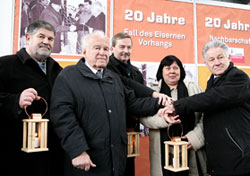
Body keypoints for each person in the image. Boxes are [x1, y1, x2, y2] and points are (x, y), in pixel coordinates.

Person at [49, 31, 166, 176]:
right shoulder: (69, 76)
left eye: (105, 49)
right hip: (86, 162)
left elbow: (133, 102)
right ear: (84, 51)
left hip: (115, 161)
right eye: (97, 48)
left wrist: (162, 103)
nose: (102, 53)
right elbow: (62, 117)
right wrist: (78, 150)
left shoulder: (113, 78)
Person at [161, 40, 250, 176]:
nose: (217, 62)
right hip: (218, 155)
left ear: (229, 58)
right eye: (211, 59)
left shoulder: (238, 78)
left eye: (220, 57)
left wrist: (176, 106)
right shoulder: (213, 81)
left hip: (237, 155)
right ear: (206, 63)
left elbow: (212, 98)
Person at [0, 21, 63, 176]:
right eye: (41, 36)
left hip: (51, 153)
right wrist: (16, 100)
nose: (46, 42)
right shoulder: (5, 64)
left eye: (50, 39)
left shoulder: (58, 71)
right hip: (14, 153)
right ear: (28, 38)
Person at [107, 32, 167, 176]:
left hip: (131, 131)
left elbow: (141, 100)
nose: (126, 51)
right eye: (121, 47)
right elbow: (129, 100)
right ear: (112, 48)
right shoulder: (106, 68)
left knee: (129, 169)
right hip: (112, 132)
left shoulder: (136, 72)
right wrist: (157, 100)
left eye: (129, 47)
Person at [140, 55, 207, 176]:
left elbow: (206, 117)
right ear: (161, 71)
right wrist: (164, 120)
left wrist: (195, 138)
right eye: (168, 68)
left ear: (181, 70)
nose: (172, 71)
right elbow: (143, 117)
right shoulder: (152, 92)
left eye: (176, 68)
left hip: (190, 147)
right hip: (161, 150)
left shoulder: (194, 89)